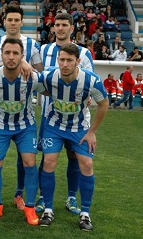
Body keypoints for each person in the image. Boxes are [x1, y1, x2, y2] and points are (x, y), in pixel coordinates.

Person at [38, 43, 108, 231]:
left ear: (78, 61)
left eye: (69, 60)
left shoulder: (91, 80)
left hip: (79, 128)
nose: (65, 64)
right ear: (57, 59)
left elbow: (104, 104)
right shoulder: (48, 75)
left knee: (87, 164)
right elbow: (36, 86)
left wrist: (92, 131)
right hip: (54, 126)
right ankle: (48, 208)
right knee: (49, 162)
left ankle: (85, 213)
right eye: (62, 59)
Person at [0, 38, 42, 225]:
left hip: (25, 127)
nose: (11, 57)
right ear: (1, 55)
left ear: (23, 56)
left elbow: (52, 87)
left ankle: (30, 208)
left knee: (29, 163)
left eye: (16, 53)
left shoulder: (33, 77)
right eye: (7, 53)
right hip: (0, 126)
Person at [0, 4, 43, 210]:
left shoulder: (32, 45)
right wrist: (20, 64)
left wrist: (27, 64)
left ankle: (20, 194)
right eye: (9, 20)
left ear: (21, 22)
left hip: (23, 113)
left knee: (26, 157)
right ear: (4, 22)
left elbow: (40, 71)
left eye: (16, 20)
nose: (12, 23)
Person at [38, 12, 94, 215]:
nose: (60, 28)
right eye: (57, 25)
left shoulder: (84, 53)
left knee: (75, 158)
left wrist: (86, 97)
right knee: (47, 158)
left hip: (77, 120)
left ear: (72, 28)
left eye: (64, 25)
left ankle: (71, 197)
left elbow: (89, 81)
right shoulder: (43, 50)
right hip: (49, 116)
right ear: (52, 28)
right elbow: (37, 77)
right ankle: (44, 198)